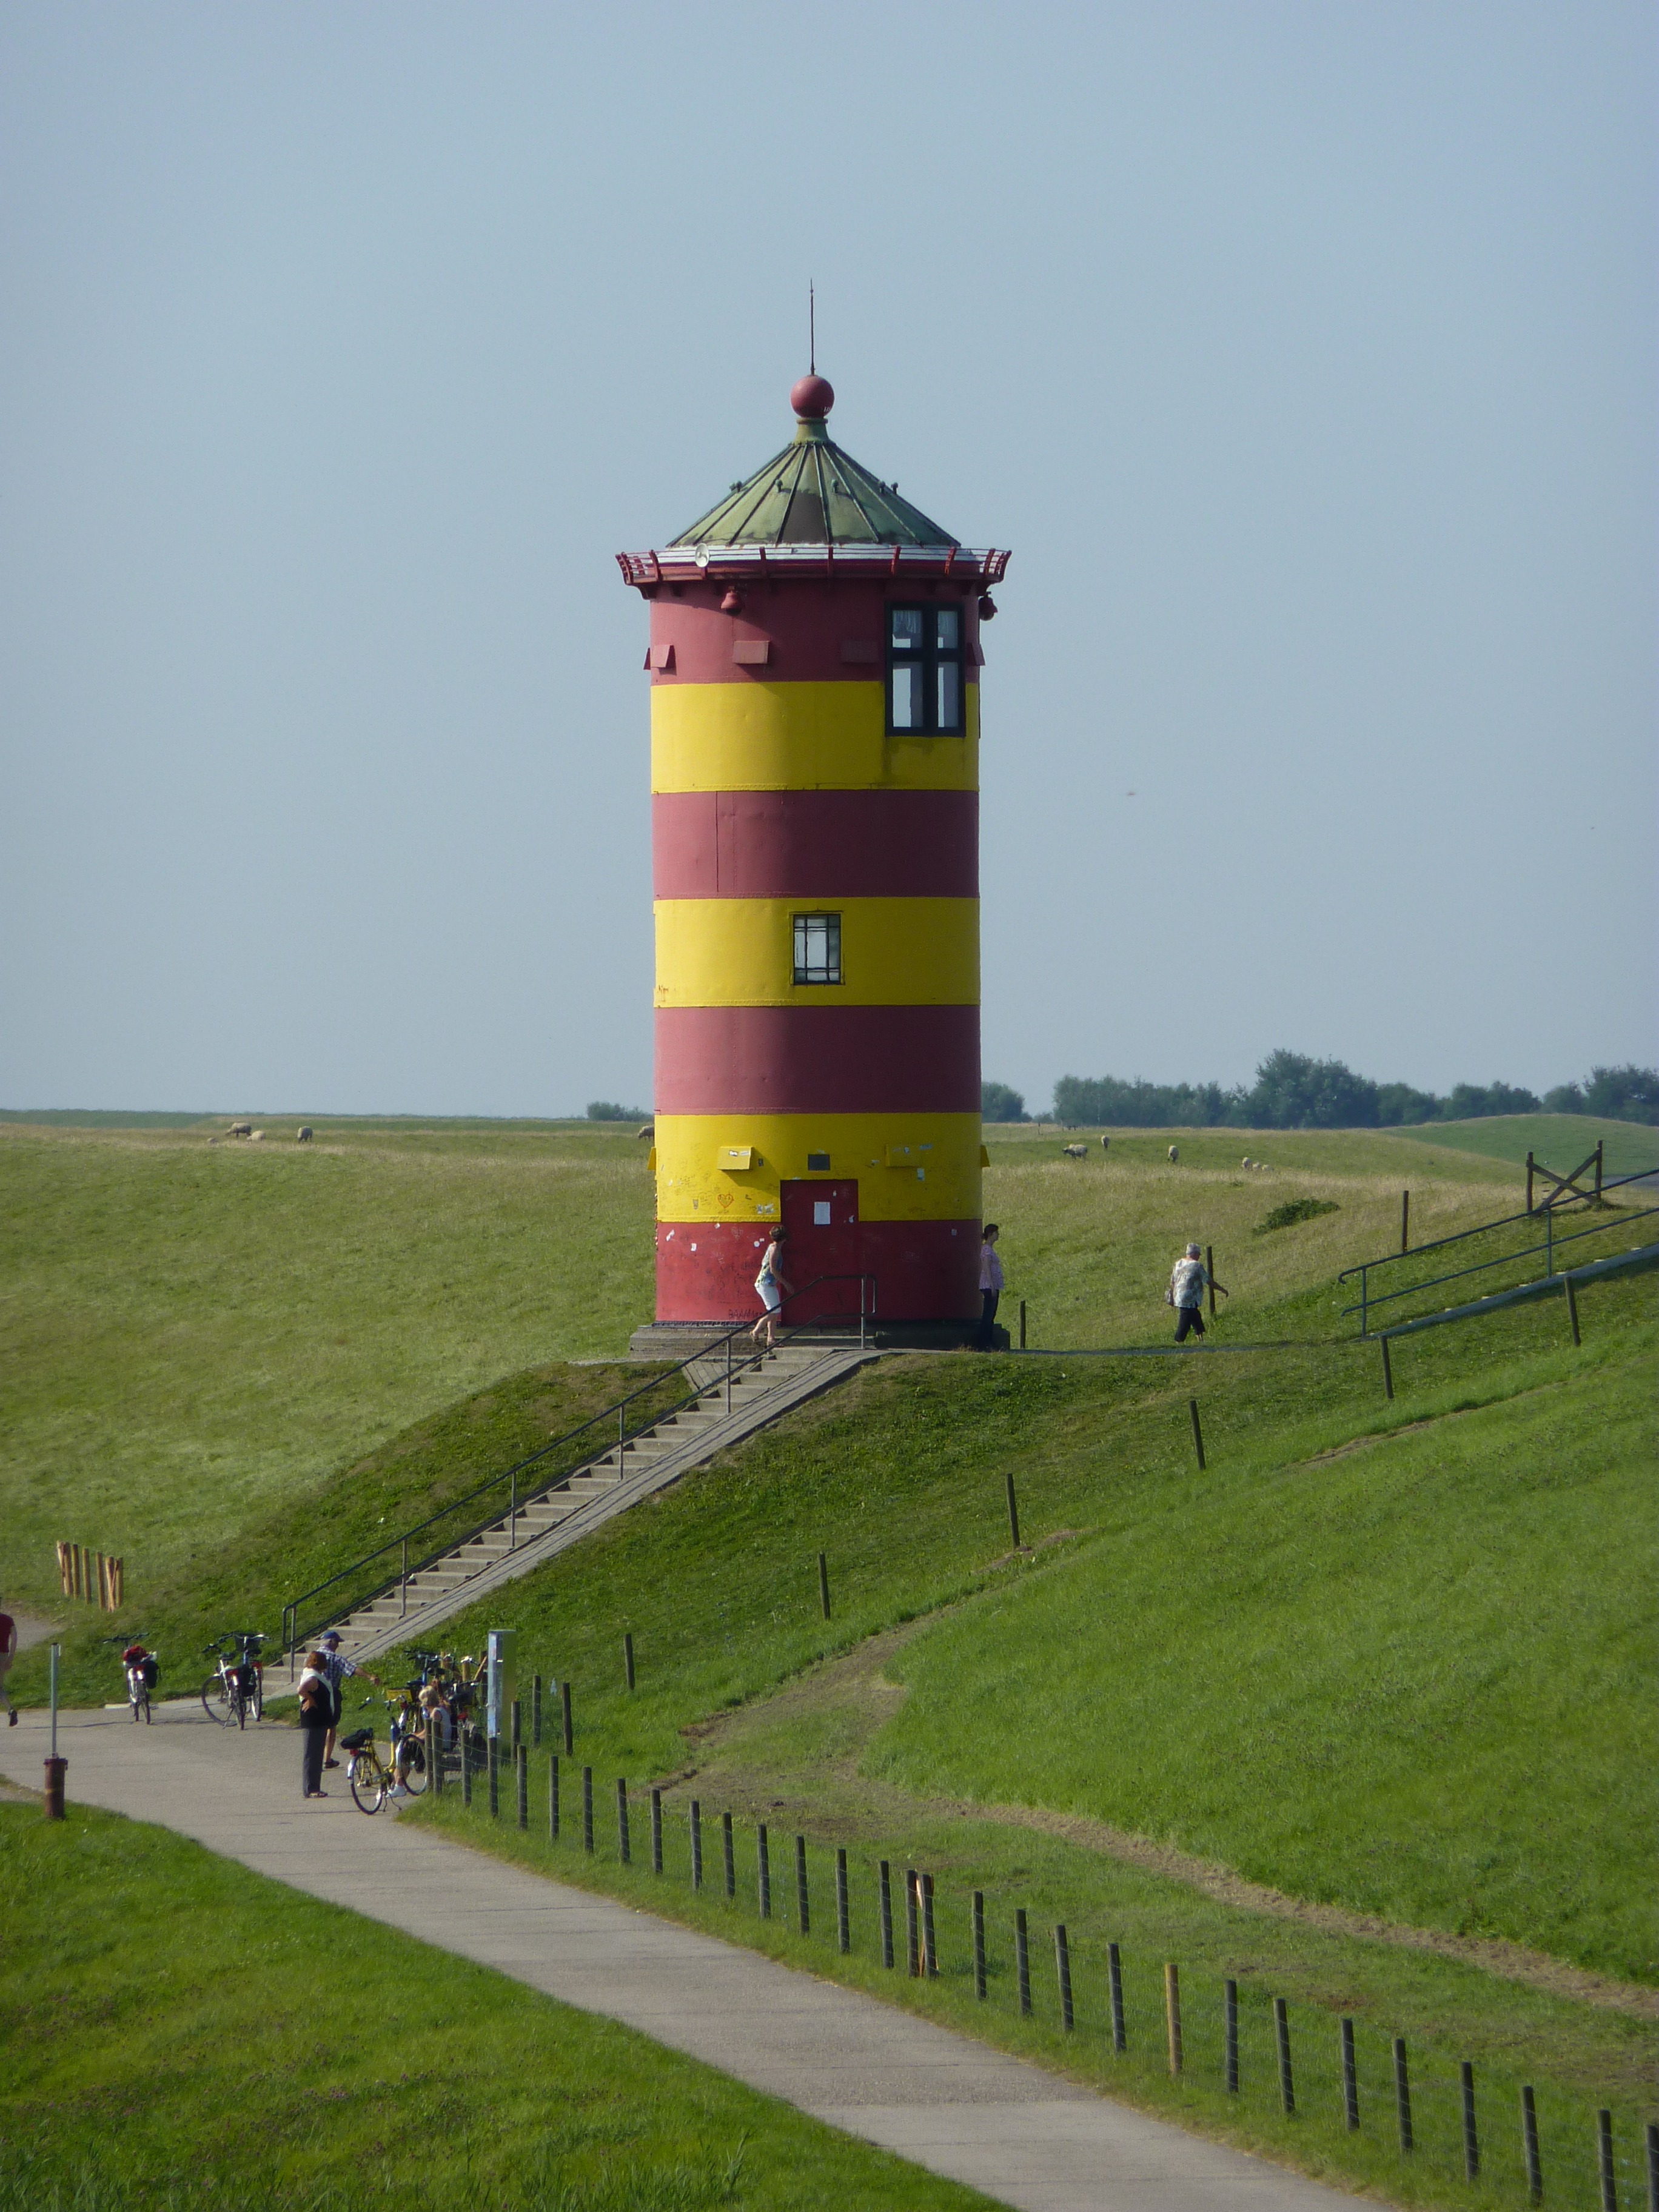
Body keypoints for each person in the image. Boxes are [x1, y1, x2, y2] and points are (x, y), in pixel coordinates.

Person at [1168, 1242, 1227, 1341]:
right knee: (1185, 1319)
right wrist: (1222, 1289)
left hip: (1178, 1295)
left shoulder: (1179, 1263)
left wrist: (1174, 1294)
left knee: (1195, 1315)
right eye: (1199, 1255)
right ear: (1195, 1254)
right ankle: (1178, 1340)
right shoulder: (1197, 1265)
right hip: (1189, 1297)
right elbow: (1208, 1280)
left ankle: (1200, 1336)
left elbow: (1173, 1280)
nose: (1199, 1257)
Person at [317, 1630, 359, 1769]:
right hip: (331, 1693)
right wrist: (370, 1677)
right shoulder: (336, 1658)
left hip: (314, 1693)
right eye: (337, 1643)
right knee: (331, 1726)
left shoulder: (312, 1657)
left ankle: (316, 1757)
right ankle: (327, 1759)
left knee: (318, 1726)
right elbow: (352, 1669)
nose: (338, 1646)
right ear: (332, 1643)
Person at [750, 1225, 793, 1349]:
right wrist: (786, 1283)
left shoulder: (774, 1247)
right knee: (775, 1311)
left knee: (774, 1310)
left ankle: (771, 1338)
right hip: (765, 1283)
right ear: (783, 1238)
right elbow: (773, 1269)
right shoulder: (774, 1250)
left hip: (769, 1283)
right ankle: (756, 1331)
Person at [297, 1651, 332, 1797]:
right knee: (312, 1754)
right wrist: (310, 1699)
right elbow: (301, 1690)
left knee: (317, 1755)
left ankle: (314, 1787)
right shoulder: (312, 1677)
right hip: (314, 1720)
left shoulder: (313, 1674)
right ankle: (311, 1789)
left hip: (319, 1719)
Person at [975, 1224, 1004, 1349]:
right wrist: (992, 1285)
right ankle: (984, 1341)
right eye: (997, 1233)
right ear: (991, 1234)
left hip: (992, 1285)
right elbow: (986, 1267)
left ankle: (988, 1341)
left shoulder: (989, 1249)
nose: (998, 1235)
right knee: (988, 1314)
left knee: (991, 1314)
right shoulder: (987, 1250)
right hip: (989, 1286)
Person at [0, 1601, 16, 1724]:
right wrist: (10, 1658)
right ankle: (10, 1710)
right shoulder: (8, 1620)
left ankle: (11, 1710)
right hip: (3, 1655)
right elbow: (14, 1639)